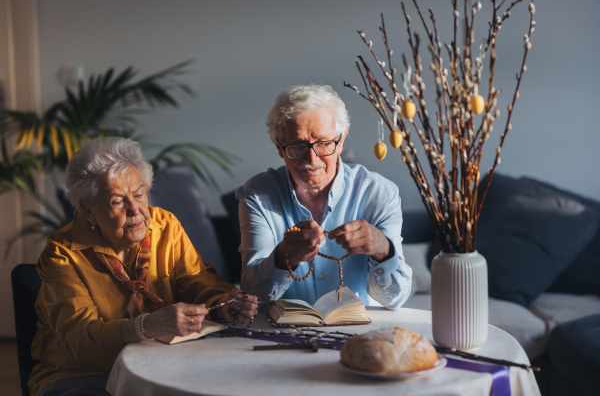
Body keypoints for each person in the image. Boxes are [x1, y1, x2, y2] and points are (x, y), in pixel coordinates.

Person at [29, 137, 259, 396]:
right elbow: (79, 339)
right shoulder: (62, 254)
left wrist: (225, 304)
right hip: (82, 373)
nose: (135, 210)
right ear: (89, 211)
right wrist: (146, 326)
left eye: (139, 194)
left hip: (162, 362)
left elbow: (198, 281)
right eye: (117, 201)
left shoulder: (165, 225)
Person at [238, 84, 412, 310]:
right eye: (297, 146)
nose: (311, 158)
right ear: (279, 147)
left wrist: (383, 250)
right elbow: (251, 297)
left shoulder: (379, 194)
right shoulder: (257, 195)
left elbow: (395, 300)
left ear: (340, 141)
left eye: (323, 143)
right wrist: (282, 257)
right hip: (283, 336)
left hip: (356, 334)